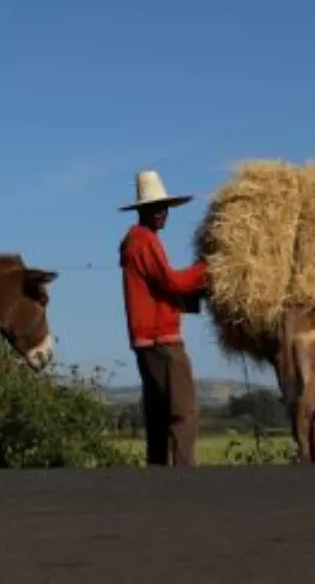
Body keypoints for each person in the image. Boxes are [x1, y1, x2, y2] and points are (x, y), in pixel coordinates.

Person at [119, 169, 210, 468]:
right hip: (161, 338)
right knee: (183, 412)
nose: (161, 214)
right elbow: (171, 282)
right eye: (155, 208)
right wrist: (206, 270)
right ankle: (184, 479)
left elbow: (162, 287)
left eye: (164, 209)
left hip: (145, 339)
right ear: (142, 211)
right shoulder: (144, 241)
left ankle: (157, 478)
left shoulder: (138, 242)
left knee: (158, 414)